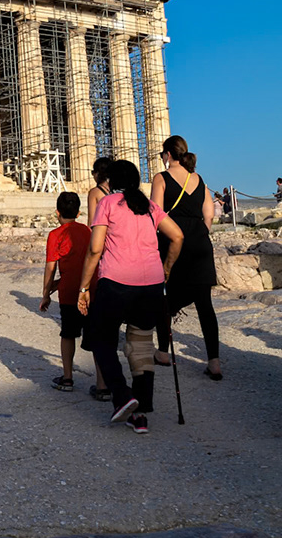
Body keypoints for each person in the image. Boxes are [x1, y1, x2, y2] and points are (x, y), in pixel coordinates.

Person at [77, 159, 184, 434]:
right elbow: (178, 236)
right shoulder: (149, 207)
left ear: (111, 181)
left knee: (101, 339)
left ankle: (122, 396)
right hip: (151, 284)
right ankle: (141, 412)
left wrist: (84, 287)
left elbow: (95, 248)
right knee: (141, 344)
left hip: (116, 281)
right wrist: (166, 270)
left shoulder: (108, 203)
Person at [152, 136, 224, 380]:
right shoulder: (199, 179)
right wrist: (198, 233)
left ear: (168, 155)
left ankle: (163, 352)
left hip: (174, 240)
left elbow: (156, 214)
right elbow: (209, 216)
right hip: (200, 242)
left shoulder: (161, 178)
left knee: (166, 296)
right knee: (205, 304)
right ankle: (214, 361)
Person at [39, 192, 91, 392]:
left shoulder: (55, 235)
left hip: (69, 292)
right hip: (90, 289)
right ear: (79, 212)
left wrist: (46, 294)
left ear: (57, 213)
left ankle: (68, 378)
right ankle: (103, 385)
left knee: (68, 334)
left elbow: (50, 267)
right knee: (95, 336)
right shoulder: (87, 231)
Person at [87, 157, 113, 228]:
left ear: (97, 173)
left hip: (103, 233)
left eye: (93, 172)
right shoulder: (118, 191)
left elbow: (91, 221)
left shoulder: (94, 192)